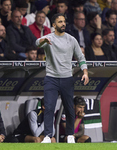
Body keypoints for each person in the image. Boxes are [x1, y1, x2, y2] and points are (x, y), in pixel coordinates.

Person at [36, 13, 89, 143]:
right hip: (51, 78)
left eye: (64, 21)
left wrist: (85, 72)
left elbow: (80, 58)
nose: (63, 24)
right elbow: (37, 43)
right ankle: (48, 136)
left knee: (69, 107)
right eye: (60, 22)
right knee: (49, 107)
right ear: (54, 25)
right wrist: (44, 41)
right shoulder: (48, 38)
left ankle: (70, 135)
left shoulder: (71, 40)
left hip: (67, 78)